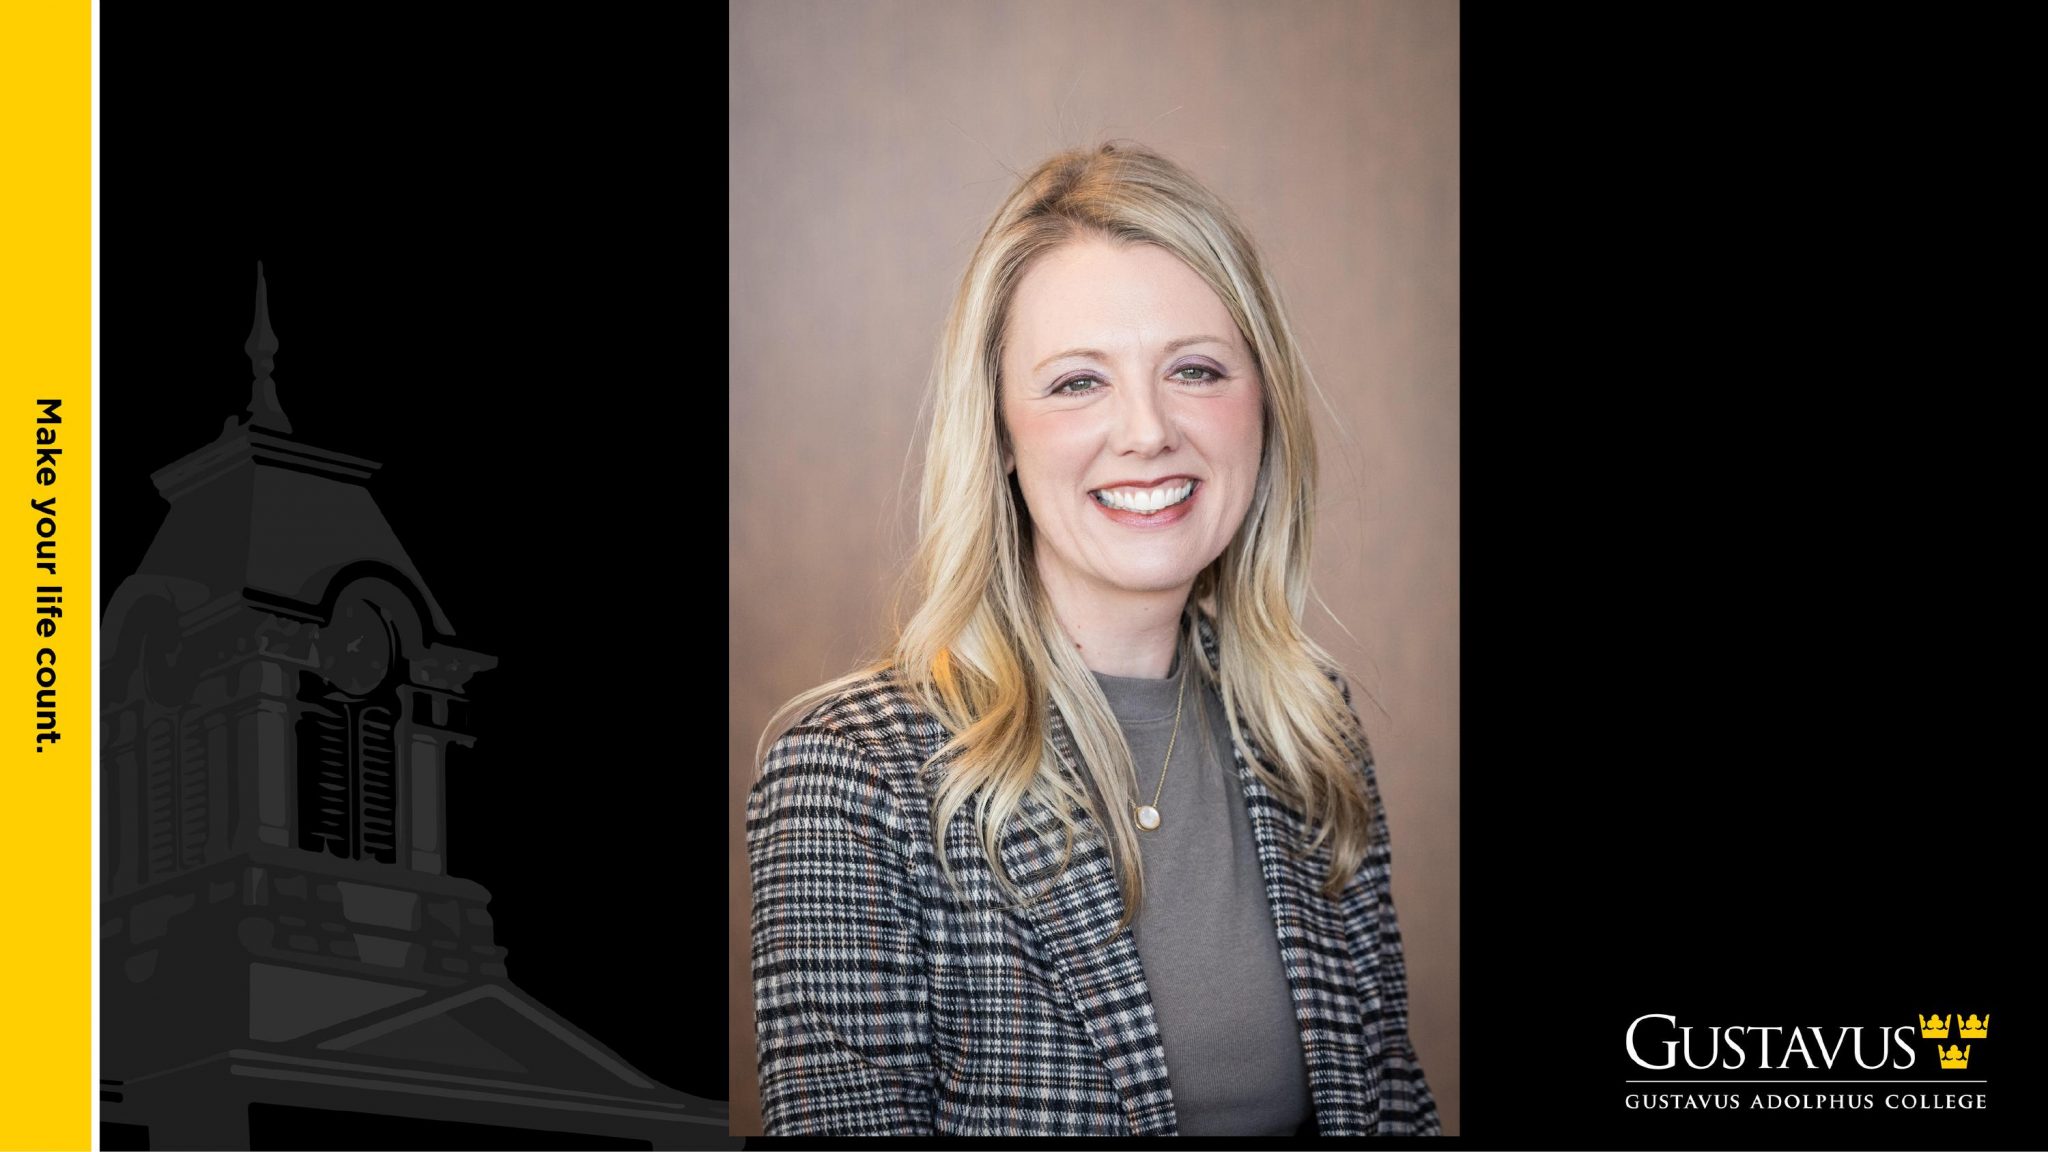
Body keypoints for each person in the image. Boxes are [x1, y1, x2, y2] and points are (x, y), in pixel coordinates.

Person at [747, 140, 1440, 1137]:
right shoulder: (853, 774)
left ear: (1262, 406)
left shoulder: (1306, 729)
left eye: (1195, 370)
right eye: (1078, 382)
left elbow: (1388, 1110)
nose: (1147, 430)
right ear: (998, 435)